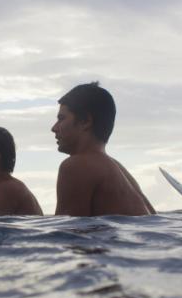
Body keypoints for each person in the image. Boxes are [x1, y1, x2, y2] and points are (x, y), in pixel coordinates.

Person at [51, 82, 154, 216]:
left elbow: (67, 235)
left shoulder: (77, 166)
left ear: (85, 121)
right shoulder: (116, 168)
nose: (54, 128)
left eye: (61, 118)